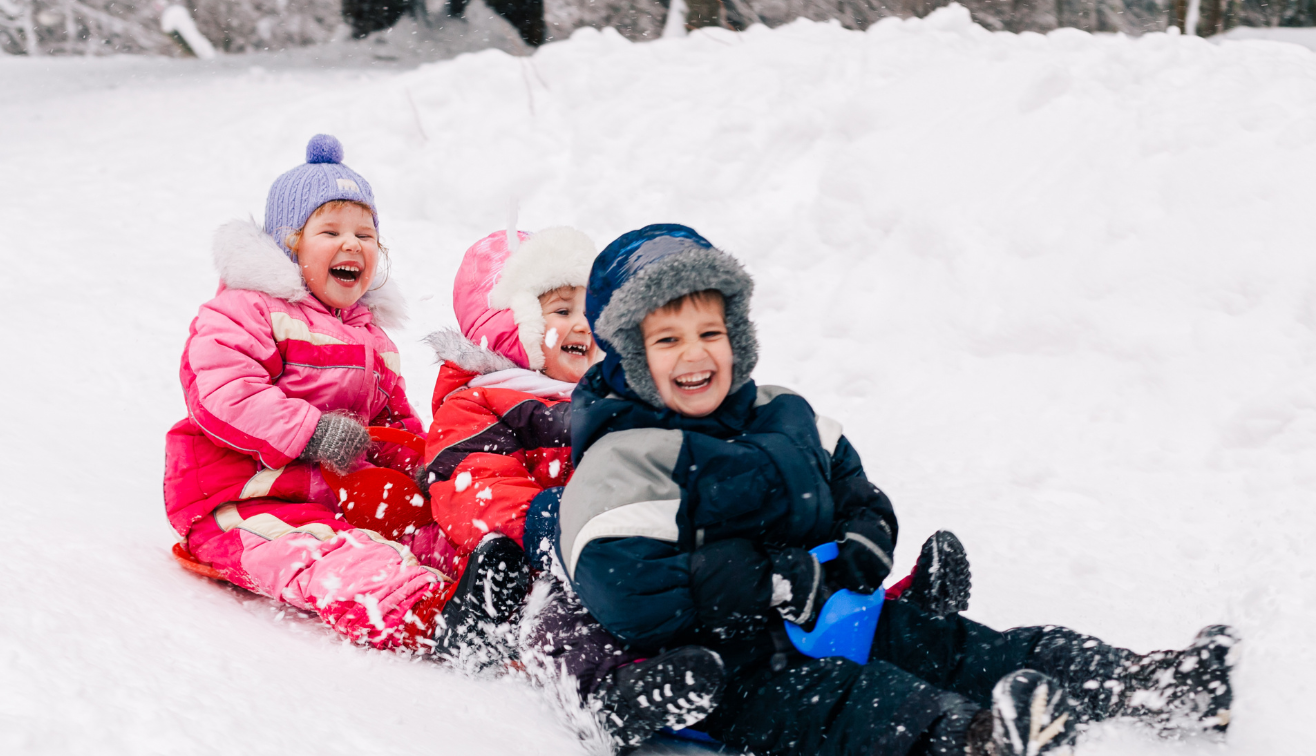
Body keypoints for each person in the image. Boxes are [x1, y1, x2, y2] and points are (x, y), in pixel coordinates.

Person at [558, 224, 1236, 756]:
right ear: (629, 357)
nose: (696, 354)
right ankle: (977, 743)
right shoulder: (624, 457)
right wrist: (764, 578)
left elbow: (857, 489)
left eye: (711, 331)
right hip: (739, 665)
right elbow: (625, 587)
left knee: (968, 647)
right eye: (667, 339)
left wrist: (865, 535)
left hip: (844, 614)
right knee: (864, 705)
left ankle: (1147, 684)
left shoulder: (785, 412)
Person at [163, 135, 525, 653]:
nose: (352, 244)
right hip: (245, 500)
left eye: (366, 234)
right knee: (333, 557)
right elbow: (224, 392)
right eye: (330, 230)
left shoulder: (370, 336)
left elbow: (393, 421)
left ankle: (508, 594)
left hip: (340, 494)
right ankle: (435, 617)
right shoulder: (247, 309)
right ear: (290, 244)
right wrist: (310, 431)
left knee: (430, 530)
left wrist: (425, 466)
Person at [419, 228, 728, 750]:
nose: (581, 322)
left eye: (590, 308)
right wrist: (545, 521)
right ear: (510, 326)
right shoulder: (480, 400)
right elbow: (470, 483)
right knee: (557, 620)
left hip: (632, 542)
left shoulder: (619, 398)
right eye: (560, 310)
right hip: (545, 557)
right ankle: (607, 696)